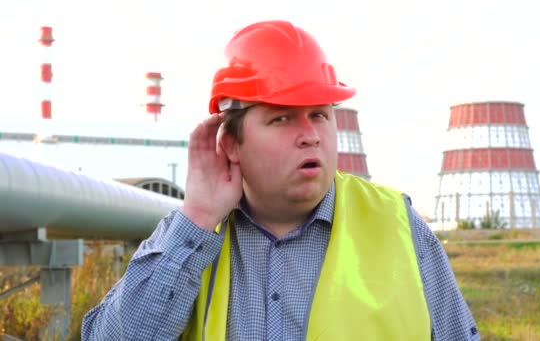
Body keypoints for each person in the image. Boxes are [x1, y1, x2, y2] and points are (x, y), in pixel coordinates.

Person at [82, 20, 479, 340]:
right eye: (282, 117)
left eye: (320, 114)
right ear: (232, 142)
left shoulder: (397, 226)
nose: (310, 134)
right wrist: (199, 218)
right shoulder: (186, 236)